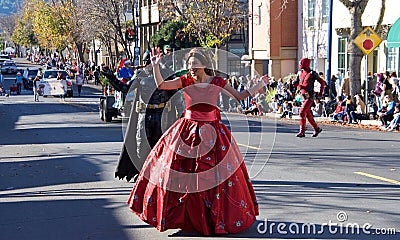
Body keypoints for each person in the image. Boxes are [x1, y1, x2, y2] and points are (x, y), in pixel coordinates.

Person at [128, 48, 268, 235]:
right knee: (179, 173)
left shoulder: (217, 82)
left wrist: (258, 86)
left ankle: (213, 218)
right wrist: (155, 66)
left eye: (195, 65)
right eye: (189, 65)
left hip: (213, 133)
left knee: (216, 179)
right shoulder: (185, 81)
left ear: (204, 65)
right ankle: (185, 217)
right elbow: (161, 85)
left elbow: (239, 96)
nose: (191, 69)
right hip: (187, 130)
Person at [105, 51, 185, 182]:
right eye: (147, 62)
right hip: (144, 115)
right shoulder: (140, 76)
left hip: (162, 116)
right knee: (141, 146)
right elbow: (126, 89)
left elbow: (176, 98)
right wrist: (112, 79)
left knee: (161, 146)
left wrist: (182, 117)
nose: (149, 65)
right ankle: (143, 173)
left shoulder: (166, 75)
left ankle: (159, 173)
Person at [293, 58, 325, 137]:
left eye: (301, 63)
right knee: (308, 114)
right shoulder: (300, 73)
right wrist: (294, 84)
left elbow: (322, 82)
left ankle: (302, 131)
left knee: (302, 112)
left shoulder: (312, 73)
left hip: (310, 96)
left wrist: (320, 93)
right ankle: (316, 129)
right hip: (303, 96)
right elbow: (296, 83)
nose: (300, 65)